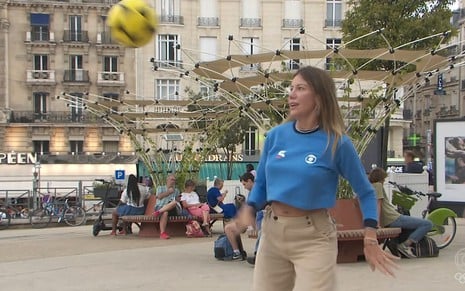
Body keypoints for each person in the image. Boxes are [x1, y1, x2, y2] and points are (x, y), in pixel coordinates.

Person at [238, 66, 398, 291]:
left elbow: (365, 191)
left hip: (314, 237)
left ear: (320, 97)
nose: (291, 94)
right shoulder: (275, 136)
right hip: (272, 234)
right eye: (291, 88)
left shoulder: (337, 143)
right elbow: (262, 183)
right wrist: (250, 208)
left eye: (300, 88)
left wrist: (370, 237)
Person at [369, 167, 433, 258]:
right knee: (427, 224)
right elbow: (378, 204)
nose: (384, 181)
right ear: (380, 178)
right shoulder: (378, 186)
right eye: (383, 179)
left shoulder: (370, 187)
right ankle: (405, 245)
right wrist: (377, 223)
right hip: (393, 218)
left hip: (390, 218)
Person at [224, 172, 255, 260]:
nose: (244, 187)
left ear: (249, 181)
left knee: (228, 228)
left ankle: (236, 252)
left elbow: (252, 209)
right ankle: (238, 251)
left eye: (244, 184)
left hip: (253, 220)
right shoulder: (253, 192)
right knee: (232, 225)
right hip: (252, 219)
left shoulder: (255, 192)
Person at [153, 174, 181, 239]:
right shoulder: (160, 188)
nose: (173, 181)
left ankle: (159, 212)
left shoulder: (176, 190)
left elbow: (178, 201)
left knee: (174, 202)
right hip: (160, 206)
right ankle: (162, 233)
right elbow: (159, 197)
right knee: (165, 212)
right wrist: (168, 192)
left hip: (173, 209)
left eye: (174, 180)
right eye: (171, 179)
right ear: (167, 180)